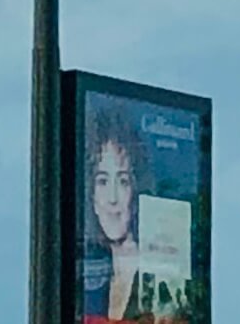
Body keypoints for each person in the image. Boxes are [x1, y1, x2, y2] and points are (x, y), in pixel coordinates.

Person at [79, 104, 180, 322]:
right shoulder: (88, 273)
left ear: (136, 191)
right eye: (102, 181)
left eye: (123, 181)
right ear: (91, 195)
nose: (113, 198)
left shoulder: (160, 274)